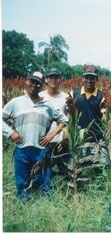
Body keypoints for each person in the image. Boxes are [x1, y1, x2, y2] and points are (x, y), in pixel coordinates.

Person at [2, 71, 68, 201]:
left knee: (45, 184)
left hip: (42, 150)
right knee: (22, 184)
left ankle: (47, 207)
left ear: (42, 85)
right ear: (27, 81)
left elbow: (64, 120)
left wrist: (51, 135)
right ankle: (23, 204)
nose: (34, 85)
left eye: (38, 83)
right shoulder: (16, 102)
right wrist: (11, 133)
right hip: (22, 148)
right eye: (32, 81)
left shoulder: (48, 105)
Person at [69, 64, 109, 166]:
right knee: (80, 167)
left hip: (96, 138)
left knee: (99, 167)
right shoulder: (74, 93)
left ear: (96, 79)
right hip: (79, 139)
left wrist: (109, 120)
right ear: (82, 78)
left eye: (92, 78)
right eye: (87, 77)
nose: (89, 81)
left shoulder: (101, 95)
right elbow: (69, 115)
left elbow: (104, 116)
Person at [39, 68, 70, 174]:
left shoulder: (66, 97)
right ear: (46, 80)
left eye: (56, 77)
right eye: (50, 77)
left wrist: (65, 139)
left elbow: (69, 119)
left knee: (66, 171)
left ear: (60, 80)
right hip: (43, 139)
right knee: (43, 169)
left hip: (61, 140)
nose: (53, 80)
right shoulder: (40, 96)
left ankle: (64, 188)